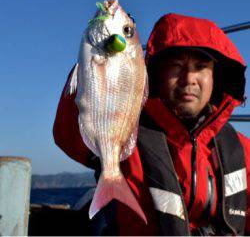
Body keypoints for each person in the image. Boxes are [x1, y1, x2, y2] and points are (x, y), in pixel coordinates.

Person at [53, 13, 250, 235]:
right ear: (154, 74)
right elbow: (68, 135)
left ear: (216, 77)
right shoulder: (129, 131)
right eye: (176, 66)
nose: (189, 78)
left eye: (201, 67)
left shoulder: (242, 149)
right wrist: (97, 62)